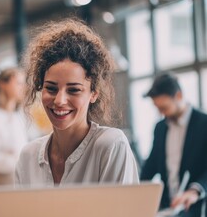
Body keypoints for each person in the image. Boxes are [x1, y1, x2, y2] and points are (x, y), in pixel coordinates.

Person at [15, 18, 139, 186]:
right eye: (51, 88)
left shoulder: (110, 145)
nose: (59, 100)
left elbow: (121, 212)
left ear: (93, 94)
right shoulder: (28, 156)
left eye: (73, 90)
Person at [140, 72, 207, 217]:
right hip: (169, 213)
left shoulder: (204, 124)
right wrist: (135, 188)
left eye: (164, 108)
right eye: (157, 108)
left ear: (178, 96)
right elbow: (151, 166)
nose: (161, 113)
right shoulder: (160, 127)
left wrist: (194, 190)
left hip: (198, 215)